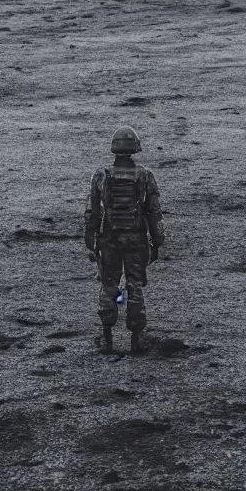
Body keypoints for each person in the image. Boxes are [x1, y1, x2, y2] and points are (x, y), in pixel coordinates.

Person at [83, 126, 165, 354]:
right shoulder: (145, 175)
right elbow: (154, 212)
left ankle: (107, 336)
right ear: (135, 148)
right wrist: (157, 241)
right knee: (135, 285)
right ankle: (136, 338)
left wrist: (91, 239)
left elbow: (92, 213)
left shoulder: (101, 175)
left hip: (109, 239)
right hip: (136, 240)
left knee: (109, 284)